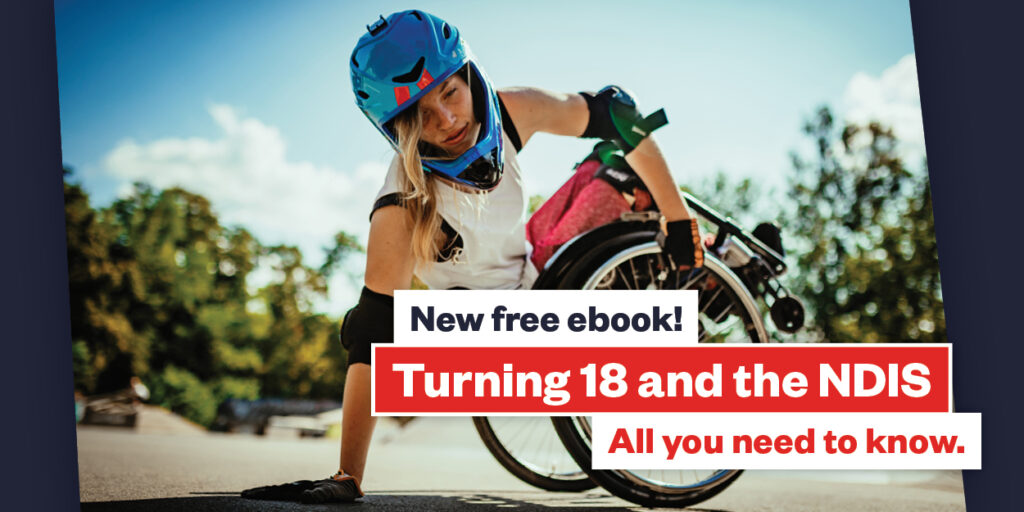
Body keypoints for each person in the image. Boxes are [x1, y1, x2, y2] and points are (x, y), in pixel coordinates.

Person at [241, 9, 703, 504]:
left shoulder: (510, 111)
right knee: (374, 322)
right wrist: (347, 476)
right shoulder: (402, 204)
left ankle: (719, 267)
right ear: (399, 128)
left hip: (532, 270)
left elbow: (617, 116)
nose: (448, 119)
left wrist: (679, 220)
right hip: (490, 331)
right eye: (422, 113)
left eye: (450, 93)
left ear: (467, 75)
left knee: (614, 162)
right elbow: (372, 338)